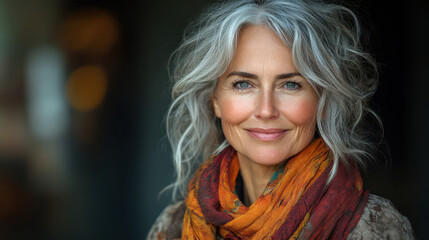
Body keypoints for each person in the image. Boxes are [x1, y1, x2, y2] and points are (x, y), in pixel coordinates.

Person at [148, 0, 414, 239]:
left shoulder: (375, 227)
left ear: (322, 101)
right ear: (215, 101)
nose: (266, 110)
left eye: (290, 85)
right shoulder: (173, 227)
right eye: (243, 84)